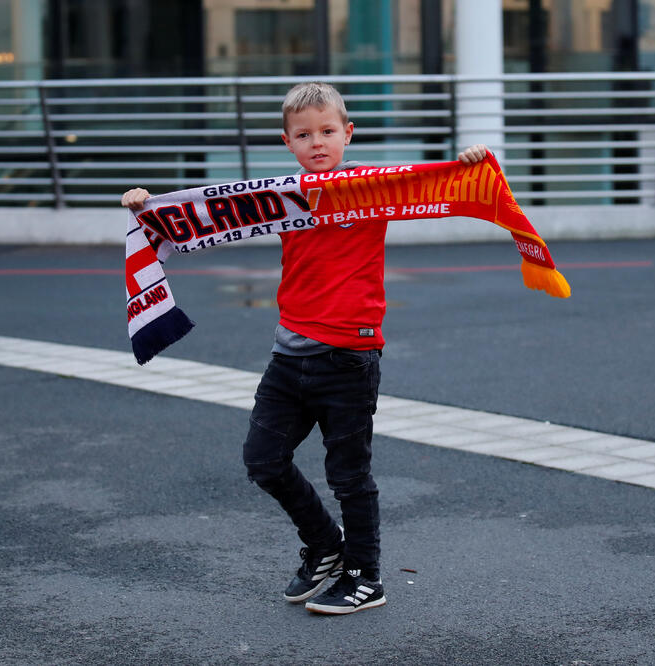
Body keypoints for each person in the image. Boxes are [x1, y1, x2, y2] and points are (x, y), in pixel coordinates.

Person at [122, 81, 488, 615]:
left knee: (349, 476)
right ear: (287, 142)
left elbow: (439, 185)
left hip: (349, 355)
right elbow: (199, 215)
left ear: (348, 134)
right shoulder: (279, 198)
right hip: (288, 355)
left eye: (327, 131)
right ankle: (325, 547)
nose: (317, 142)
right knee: (263, 461)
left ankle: (367, 577)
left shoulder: (376, 188)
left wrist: (469, 163)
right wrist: (146, 206)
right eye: (303, 134)